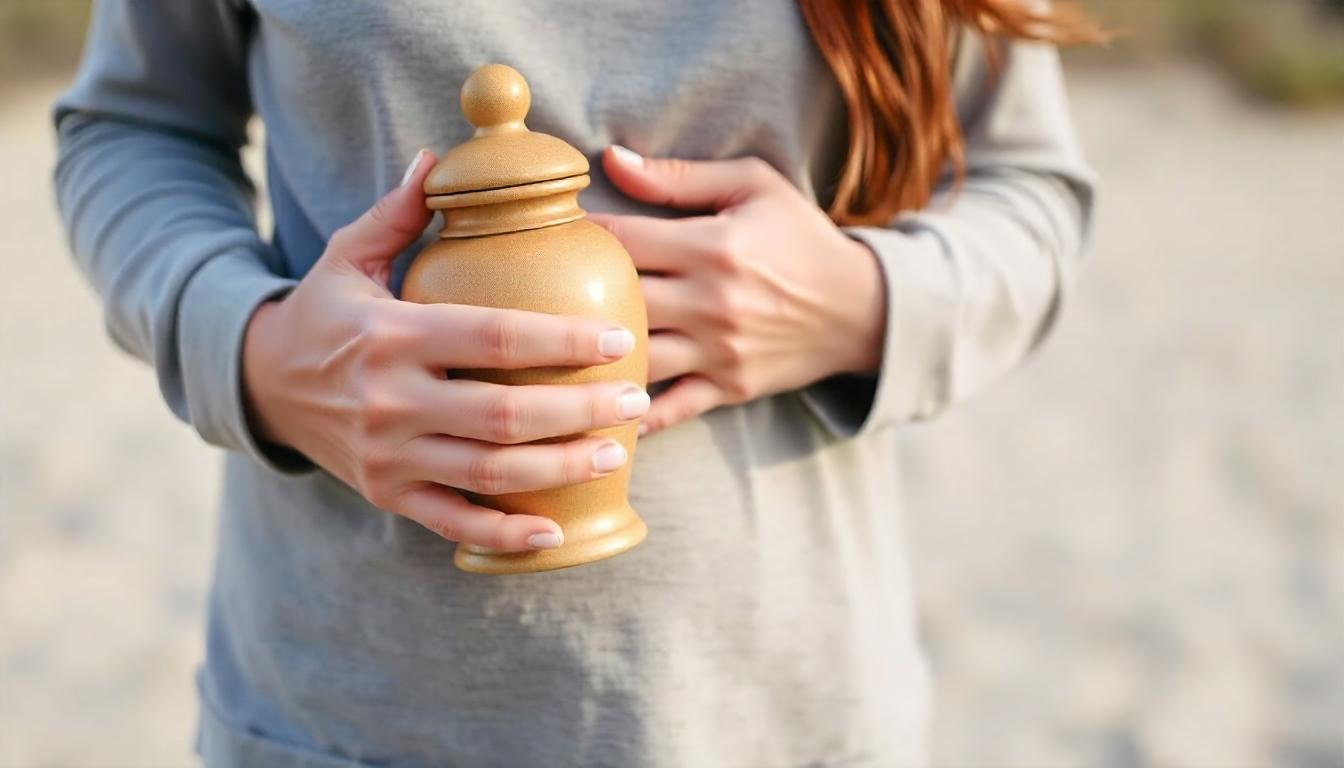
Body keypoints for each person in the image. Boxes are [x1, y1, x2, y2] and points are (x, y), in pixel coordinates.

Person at [53, 1, 1099, 765]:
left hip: (789, 712)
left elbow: (1028, 189)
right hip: (349, 716)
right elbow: (134, 128)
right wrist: (252, 351)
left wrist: (860, 301)